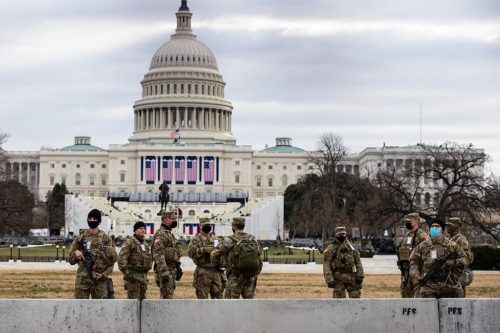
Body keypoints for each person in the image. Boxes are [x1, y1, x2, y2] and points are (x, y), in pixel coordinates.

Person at [410, 219, 468, 299]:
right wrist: (417, 276)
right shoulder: (422, 246)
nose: (434, 228)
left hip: (447, 286)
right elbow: (413, 262)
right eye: (432, 226)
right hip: (428, 286)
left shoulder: (451, 245)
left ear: (442, 230)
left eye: (437, 226)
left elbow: (465, 260)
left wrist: (450, 263)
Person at [69, 209, 117, 299]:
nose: (91, 220)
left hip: (99, 280)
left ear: (99, 221)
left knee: (101, 309)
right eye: (89, 218)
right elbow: (71, 260)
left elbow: (112, 262)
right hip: (83, 280)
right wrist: (76, 253)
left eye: (94, 218)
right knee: (80, 308)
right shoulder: (80, 238)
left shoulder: (106, 239)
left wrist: (104, 274)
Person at [216, 217, 262, 299]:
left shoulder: (228, 240)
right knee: (249, 305)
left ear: (233, 227)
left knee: (231, 305)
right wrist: (255, 274)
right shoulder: (253, 240)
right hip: (250, 277)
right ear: (243, 226)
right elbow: (260, 260)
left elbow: (214, 254)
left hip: (235, 277)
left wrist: (217, 267)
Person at [323, 226, 364, 298]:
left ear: (346, 234)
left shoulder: (352, 247)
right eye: (339, 234)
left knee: (356, 297)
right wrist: (329, 279)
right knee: (339, 301)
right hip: (338, 278)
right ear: (336, 235)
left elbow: (358, 262)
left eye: (343, 234)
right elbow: (326, 264)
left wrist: (360, 275)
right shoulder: (330, 249)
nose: (341, 236)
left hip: (351, 277)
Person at [188, 217, 222, 299]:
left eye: (209, 224)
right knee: (202, 299)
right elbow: (190, 253)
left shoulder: (214, 239)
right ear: (200, 226)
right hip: (202, 272)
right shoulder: (196, 239)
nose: (208, 226)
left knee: (219, 298)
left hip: (215, 272)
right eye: (206, 224)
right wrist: (204, 250)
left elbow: (219, 251)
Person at [396, 212, 430, 298]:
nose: (408, 223)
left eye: (410, 221)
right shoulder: (407, 236)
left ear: (417, 221)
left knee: (418, 294)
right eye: (407, 221)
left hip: (417, 270)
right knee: (405, 294)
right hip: (406, 270)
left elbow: (427, 254)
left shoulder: (423, 236)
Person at [117, 221, 153, 300]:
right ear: (135, 230)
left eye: (144, 229)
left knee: (142, 302)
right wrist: (127, 273)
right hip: (133, 278)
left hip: (143, 278)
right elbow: (121, 258)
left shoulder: (145, 244)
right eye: (141, 228)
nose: (143, 230)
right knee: (133, 302)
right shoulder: (130, 242)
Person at [152, 211, 181, 299]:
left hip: (171, 269)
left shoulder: (169, 234)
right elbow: (158, 255)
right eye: (173, 219)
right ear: (166, 220)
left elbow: (174, 252)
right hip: (165, 270)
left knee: (169, 295)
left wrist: (178, 266)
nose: (175, 221)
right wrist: (164, 272)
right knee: (166, 298)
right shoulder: (161, 234)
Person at [446, 217, 474, 296]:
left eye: (450, 225)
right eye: (447, 225)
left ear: (457, 226)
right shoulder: (449, 239)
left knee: (457, 292)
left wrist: (453, 262)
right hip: (450, 272)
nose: (447, 227)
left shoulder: (461, 240)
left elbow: (467, 259)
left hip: (459, 272)